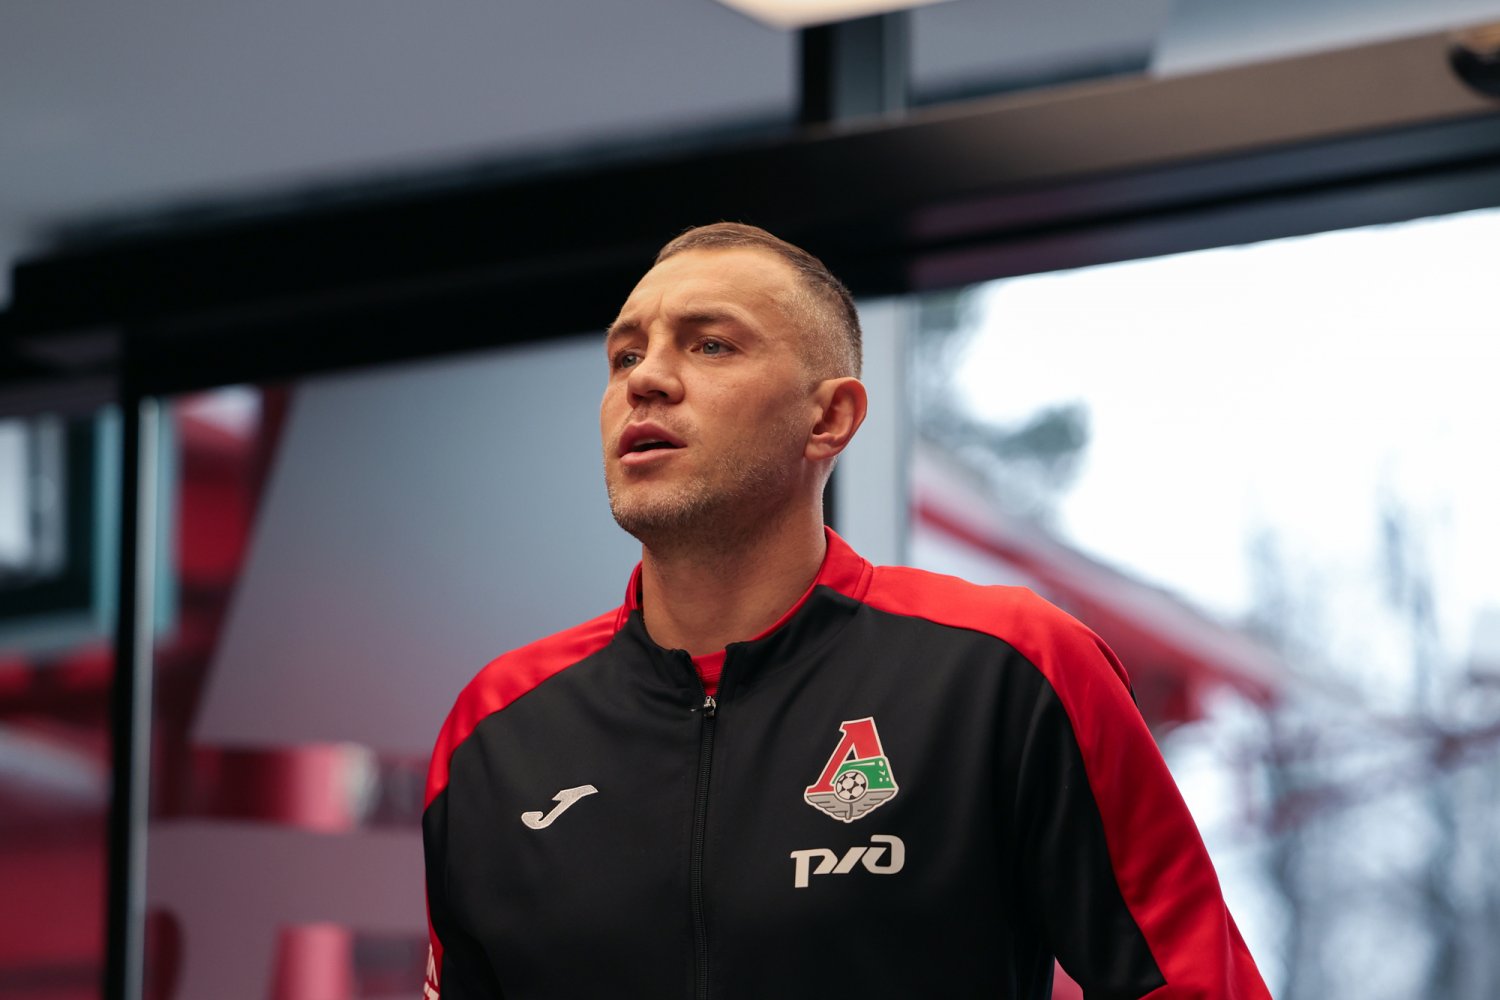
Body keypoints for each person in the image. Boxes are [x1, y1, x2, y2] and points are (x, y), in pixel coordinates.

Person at [422, 223, 1270, 999]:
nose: (645, 379)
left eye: (711, 344)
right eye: (624, 356)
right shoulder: (496, 728)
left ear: (829, 417)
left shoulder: (1008, 667)